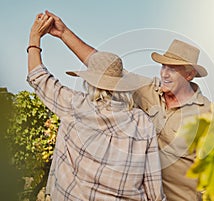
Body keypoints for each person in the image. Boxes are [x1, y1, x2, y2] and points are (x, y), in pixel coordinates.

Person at [45, 10, 211, 201]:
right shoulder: (148, 89)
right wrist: (64, 33)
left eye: (172, 69)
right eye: (163, 66)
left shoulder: (208, 115)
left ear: (189, 75)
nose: (164, 73)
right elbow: (106, 68)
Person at [27, 13, 166, 200]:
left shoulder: (74, 105)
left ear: (89, 82)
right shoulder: (142, 122)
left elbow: (38, 77)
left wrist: (34, 39)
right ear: (123, 85)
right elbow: (153, 185)